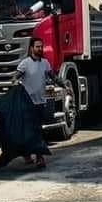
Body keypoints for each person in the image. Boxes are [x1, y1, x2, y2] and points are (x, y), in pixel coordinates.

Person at [10, 36, 65, 168]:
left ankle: (35, 155)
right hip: (27, 104)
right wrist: (15, 82)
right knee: (31, 130)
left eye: (41, 46)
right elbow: (15, 76)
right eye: (37, 47)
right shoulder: (25, 63)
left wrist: (64, 85)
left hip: (40, 102)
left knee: (38, 130)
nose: (40, 49)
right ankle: (34, 155)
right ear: (31, 48)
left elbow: (53, 77)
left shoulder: (45, 63)